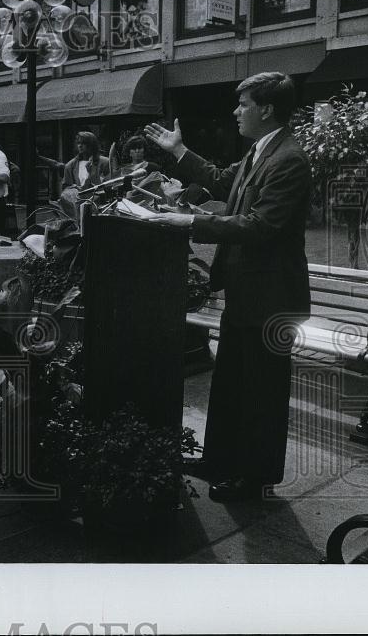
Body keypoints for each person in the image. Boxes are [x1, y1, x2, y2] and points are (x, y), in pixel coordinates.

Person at [145, 71, 312, 503]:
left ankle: (254, 479)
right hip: (248, 292)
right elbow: (223, 181)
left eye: (243, 105)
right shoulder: (261, 151)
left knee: (262, 391)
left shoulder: (288, 159)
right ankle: (219, 459)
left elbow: (261, 225)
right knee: (231, 383)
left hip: (273, 300)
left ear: (266, 109)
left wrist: (191, 222)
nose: (236, 112)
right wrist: (179, 152)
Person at [40, 131, 112, 190]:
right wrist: (73, 188)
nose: (80, 146)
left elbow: (110, 184)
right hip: (79, 201)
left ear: (91, 145)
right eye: (78, 143)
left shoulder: (104, 162)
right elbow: (66, 188)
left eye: (84, 143)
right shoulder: (71, 165)